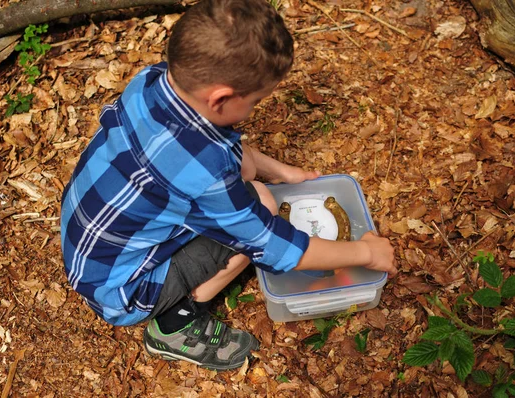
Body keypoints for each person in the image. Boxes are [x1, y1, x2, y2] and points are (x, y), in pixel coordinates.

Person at [60, 0, 397, 371]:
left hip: (88, 241)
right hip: (122, 290)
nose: (252, 112)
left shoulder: (152, 81)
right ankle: (175, 325)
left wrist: (282, 171)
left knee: (253, 183)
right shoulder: (204, 173)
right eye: (254, 103)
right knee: (262, 208)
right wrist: (368, 255)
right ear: (220, 98)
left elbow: (222, 147)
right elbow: (275, 246)